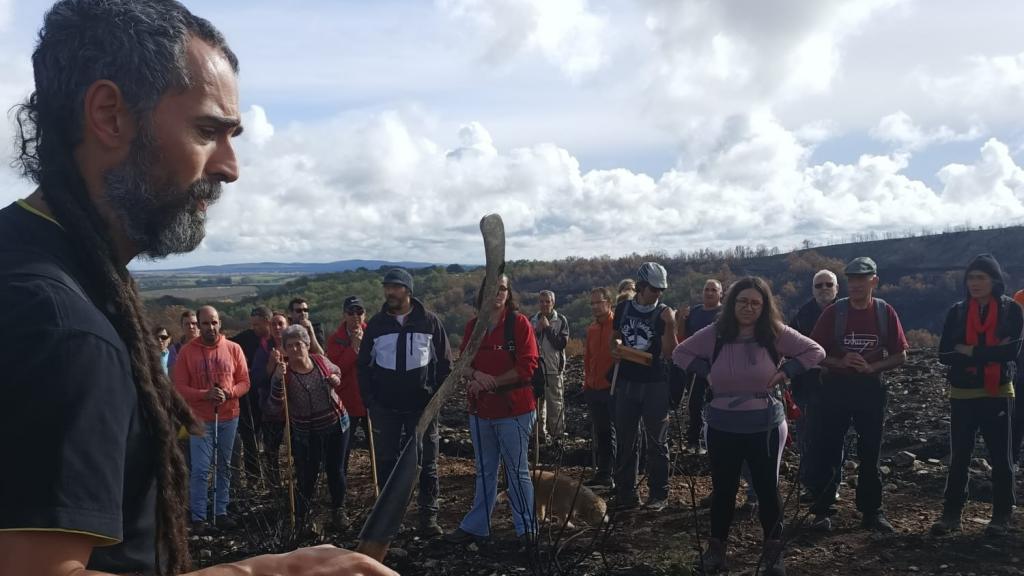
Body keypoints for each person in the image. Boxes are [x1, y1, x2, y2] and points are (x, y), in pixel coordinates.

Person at [0, 3, 396, 573]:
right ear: (110, 115)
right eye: (208, 131)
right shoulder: (60, 325)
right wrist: (260, 571)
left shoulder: (31, 267)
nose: (231, 167)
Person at [674, 277, 824, 575]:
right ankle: (716, 550)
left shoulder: (774, 333)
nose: (749, 308)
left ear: (764, 306)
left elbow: (815, 351)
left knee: (768, 489)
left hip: (764, 425)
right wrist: (707, 372)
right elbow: (680, 353)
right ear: (732, 303)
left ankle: (773, 552)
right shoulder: (716, 333)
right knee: (724, 490)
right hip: (721, 425)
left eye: (756, 303)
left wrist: (787, 371)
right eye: (743, 301)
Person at [808, 257, 909, 533]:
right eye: (851, 280)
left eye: (862, 279)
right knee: (827, 448)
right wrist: (839, 363)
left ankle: (872, 511)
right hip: (836, 388)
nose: (855, 285)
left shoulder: (884, 312)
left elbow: (900, 355)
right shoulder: (833, 313)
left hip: (870, 389)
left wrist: (872, 367)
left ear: (874, 281)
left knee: (871, 451)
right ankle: (822, 510)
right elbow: (814, 353)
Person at [445, 274, 540, 545]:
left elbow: (527, 365)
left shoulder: (519, 324)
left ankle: (526, 529)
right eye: (493, 289)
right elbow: (463, 361)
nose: (498, 293)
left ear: (509, 294)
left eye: (503, 289)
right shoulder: (474, 326)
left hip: (514, 410)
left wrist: (494, 381)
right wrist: (476, 376)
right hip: (481, 410)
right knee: (485, 470)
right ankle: (477, 525)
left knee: (517, 471)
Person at [931, 254, 1022, 537]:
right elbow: (944, 354)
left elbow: (1011, 353)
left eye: (980, 278)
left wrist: (968, 350)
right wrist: (990, 352)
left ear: (994, 280)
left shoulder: (1012, 311)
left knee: (1001, 456)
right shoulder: (957, 311)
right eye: (971, 278)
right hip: (962, 392)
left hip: (998, 392)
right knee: (959, 455)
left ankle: (1002, 514)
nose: (974, 283)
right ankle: (952, 513)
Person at [358, 268, 452, 537]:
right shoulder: (376, 325)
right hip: (385, 408)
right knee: (387, 463)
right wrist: (371, 402)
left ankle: (428, 516)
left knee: (428, 463)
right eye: (387, 287)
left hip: (422, 408)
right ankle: (389, 519)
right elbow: (363, 366)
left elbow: (445, 364)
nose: (390, 292)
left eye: (396, 287)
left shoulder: (429, 322)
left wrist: (437, 399)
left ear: (408, 291)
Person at [172, 306, 250, 530]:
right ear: (198, 324)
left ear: (220, 323)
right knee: (200, 468)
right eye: (205, 323)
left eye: (214, 322)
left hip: (229, 416)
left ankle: (221, 511)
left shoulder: (234, 349)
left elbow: (245, 381)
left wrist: (230, 393)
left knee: (224, 466)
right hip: (200, 419)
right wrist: (204, 395)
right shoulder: (187, 352)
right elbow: (180, 387)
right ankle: (198, 516)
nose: (210, 327)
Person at [268, 324, 352, 531]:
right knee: (308, 473)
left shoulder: (320, 361)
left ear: (307, 344)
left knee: (336, 470)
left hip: (336, 423)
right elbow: (275, 403)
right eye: (290, 346)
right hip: (307, 432)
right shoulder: (285, 373)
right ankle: (304, 515)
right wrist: (278, 378)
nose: (296, 349)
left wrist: (335, 379)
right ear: (285, 349)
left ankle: (338, 511)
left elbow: (337, 371)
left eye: (299, 344)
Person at [610, 262, 677, 512]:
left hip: (654, 384)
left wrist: (670, 324)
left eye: (661, 290)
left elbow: (670, 353)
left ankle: (659, 494)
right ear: (640, 286)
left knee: (657, 441)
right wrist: (615, 348)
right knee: (627, 438)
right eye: (653, 289)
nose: (658, 294)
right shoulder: (622, 309)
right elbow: (614, 337)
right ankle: (626, 493)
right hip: (626, 381)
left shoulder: (663, 313)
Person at [789, 270, 840, 502]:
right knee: (806, 438)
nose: (824, 289)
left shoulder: (847, 311)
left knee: (835, 438)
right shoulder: (802, 315)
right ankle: (809, 485)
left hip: (840, 385)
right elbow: (789, 348)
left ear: (837, 288)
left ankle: (832, 484)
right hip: (806, 386)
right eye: (818, 285)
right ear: (812, 289)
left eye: (828, 284)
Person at [229, 305, 273, 496]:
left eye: (257, 324)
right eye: (252, 324)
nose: (254, 327)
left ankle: (273, 477)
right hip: (250, 395)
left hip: (272, 394)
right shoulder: (246, 338)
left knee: (271, 438)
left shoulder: (276, 338)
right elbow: (227, 345)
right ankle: (254, 476)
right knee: (250, 438)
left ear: (267, 321)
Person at [327, 296, 370, 476]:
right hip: (346, 404)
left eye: (359, 312)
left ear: (364, 314)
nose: (355, 316)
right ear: (344, 315)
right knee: (341, 451)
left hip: (371, 401)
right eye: (351, 312)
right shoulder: (335, 339)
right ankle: (339, 490)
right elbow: (337, 369)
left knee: (381, 449)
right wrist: (353, 349)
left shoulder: (374, 333)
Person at [679, 278, 723, 452]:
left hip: (718, 365)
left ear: (721, 293)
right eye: (707, 289)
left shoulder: (725, 313)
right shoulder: (695, 312)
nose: (710, 293)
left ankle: (714, 440)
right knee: (694, 403)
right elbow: (683, 335)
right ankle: (693, 441)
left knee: (716, 403)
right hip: (696, 366)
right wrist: (681, 319)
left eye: (714, 290)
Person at [583, 287, 617, 489]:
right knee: (601, 432)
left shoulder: (618, 326)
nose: (595, 306)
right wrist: (587, 383)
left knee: (613, 433)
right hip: (593, 389)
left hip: (612, 389)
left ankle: (612, 474)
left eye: (599, 302)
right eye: (592, 303)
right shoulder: (592, 329)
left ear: (609, 302)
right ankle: (603, 474)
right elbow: (588, 358)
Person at [253, 311, 290, 490]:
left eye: (280, 324)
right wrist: (271, 365)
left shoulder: (297, 345)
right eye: (273, 324)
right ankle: (274, 488)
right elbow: (258, 379)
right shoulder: (264, 350)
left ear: (287, 325)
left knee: (298, 451)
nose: (277, 328)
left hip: (295, 408)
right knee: (271, 452)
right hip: (271, 410)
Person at [531, 289, 570, 445]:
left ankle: (557, 437)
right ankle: (539, 436)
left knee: (555, 404)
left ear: (553, 303)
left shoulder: (561, 320)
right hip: (535, 370)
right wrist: (536, 331)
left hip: (553, 370)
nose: (544, 304)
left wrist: (547, 328)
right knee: (537, 406)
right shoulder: (531, 320)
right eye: (542, 301)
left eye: (548, 301)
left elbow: (561, 344)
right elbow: (527, 344)